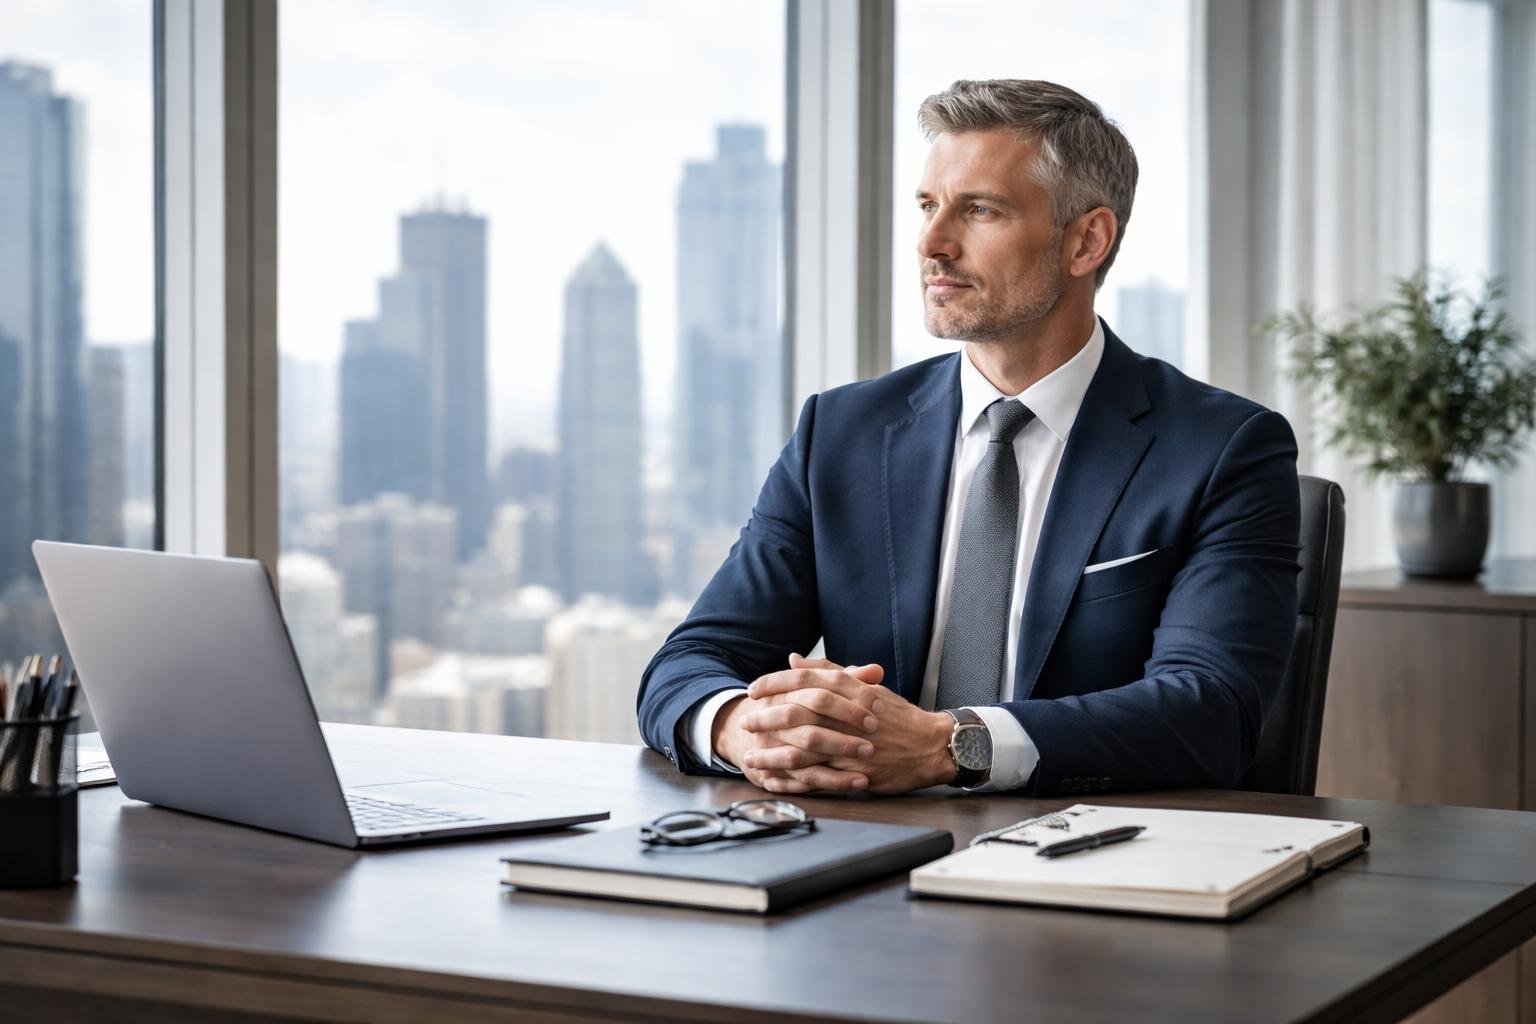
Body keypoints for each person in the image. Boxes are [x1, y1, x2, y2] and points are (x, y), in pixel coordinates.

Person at [637, 79, 1301, 797]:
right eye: (927, 206)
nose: (931, 243)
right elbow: (695, 659)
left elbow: (1211, 712)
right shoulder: (841, 433)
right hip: (857, 852)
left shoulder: (1225, 450)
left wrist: (950, 746)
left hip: (1089, 862)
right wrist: (743, 728)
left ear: (1087, 240)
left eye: (979, 210)